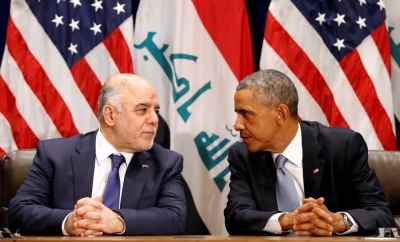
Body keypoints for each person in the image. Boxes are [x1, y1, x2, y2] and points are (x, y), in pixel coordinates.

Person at [8, 74, 187, 236]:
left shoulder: (166, 162)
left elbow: (175, 217)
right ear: (110, 115)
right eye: (142, 110)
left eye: (155, 111)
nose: (155, 120)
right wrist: (68, 222)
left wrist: (116, 221)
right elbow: (19, 211)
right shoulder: (55, 155)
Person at [224, 69, 394, 236]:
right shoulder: (243, 156)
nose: (237, 125)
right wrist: (288, 220)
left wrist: (336, 222)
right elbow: (235, 216)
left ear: (281, 114)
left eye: (245, 114)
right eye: (237, 114)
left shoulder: (342, 147)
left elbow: (381, 215)